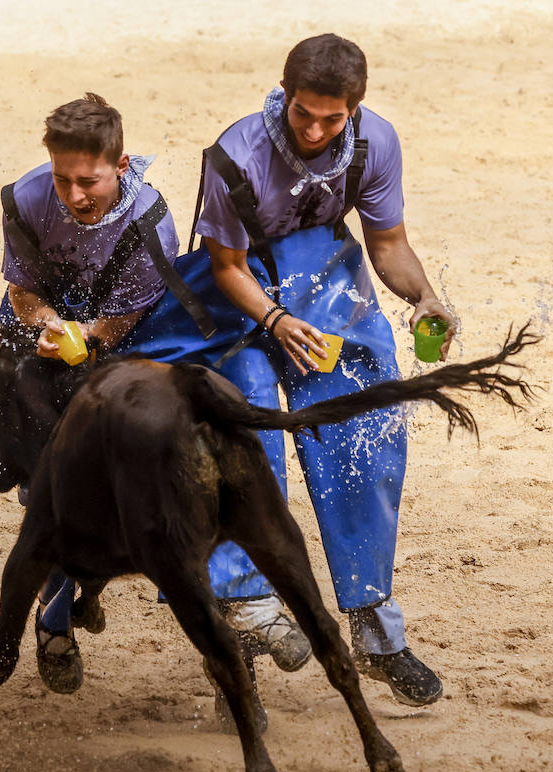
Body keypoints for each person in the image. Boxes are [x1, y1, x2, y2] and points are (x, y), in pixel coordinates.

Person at [138, 33, 456, 706]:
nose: (314, 129)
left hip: (325, 279)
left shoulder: (377, 144)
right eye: (302, 112)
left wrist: (422, 293)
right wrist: (274, 321)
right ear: (283, 95)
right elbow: (224, 265)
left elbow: (389, 244)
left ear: (354, 110)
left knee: (365, 431)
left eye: (330, 118)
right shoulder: (235, 155)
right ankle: (244, 621)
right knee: (246, 439)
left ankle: (374, 626)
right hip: (239, 294)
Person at [0, 93, 310, 694]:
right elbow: (21, 292)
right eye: (62, 179)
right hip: (35, 343)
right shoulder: (25, 199)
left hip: (120, 346)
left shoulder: (151, 220)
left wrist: (89, 337)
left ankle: (84, 605)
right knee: (47, 493)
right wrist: (49, 326)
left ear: (120, 168)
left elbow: (135, 313)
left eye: (88, 181)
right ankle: (56, 621)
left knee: (125, 492)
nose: (74, 196)